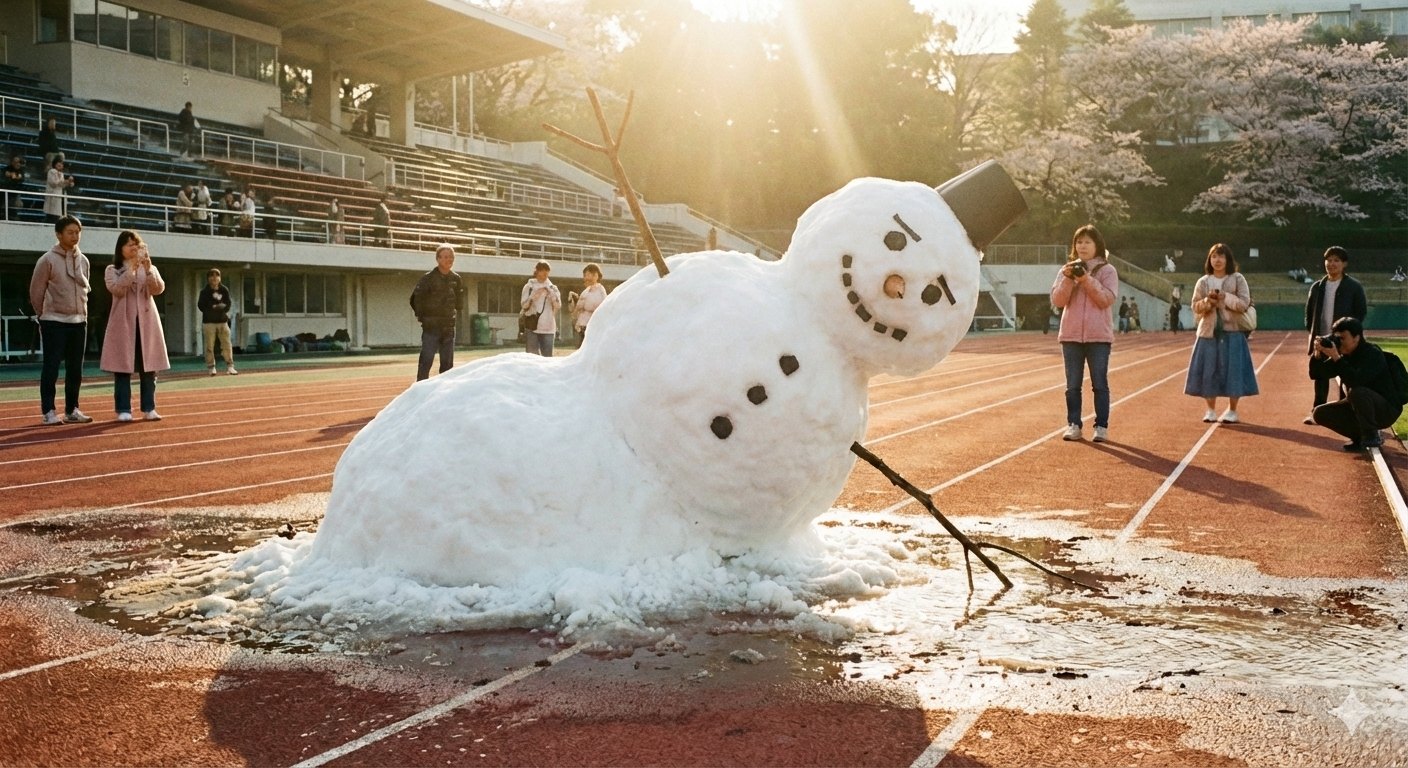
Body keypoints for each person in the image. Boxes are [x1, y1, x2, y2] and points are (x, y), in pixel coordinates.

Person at [1050, 224, 1118, 442]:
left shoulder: (1108, 271)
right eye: (1079, 242)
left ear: (1097, 245)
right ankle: (1074, 424)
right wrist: (1071, 277)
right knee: (1072, 385)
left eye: (1088, 242)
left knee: (1099, 383)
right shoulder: (1066, 270)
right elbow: (1058, 301)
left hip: (1098, 336)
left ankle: (1101, 426)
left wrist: (1086, 279)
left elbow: (1106, 299)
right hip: (1071, 335)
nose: (1083, 246)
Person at [29, 215, 92, 425]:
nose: (75, 236)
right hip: (53, 320)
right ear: (58, 234)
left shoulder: (83, 261)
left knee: (75, 369)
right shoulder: (47, 259)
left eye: (78, 232)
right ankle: (48, 411)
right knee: (52, 367)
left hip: (78, 321)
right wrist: (43, 317)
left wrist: (82, 314)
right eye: (70, 232)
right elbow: (36, 291)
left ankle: (72, 409)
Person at [1184, 244, 1258, 424]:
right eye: (1214, 256)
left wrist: (1225, 297)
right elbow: (1195, 306)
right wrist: (1208, 301)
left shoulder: (1238, 278)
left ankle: (1233, 411)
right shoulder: (1203, 281)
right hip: (1208, 333)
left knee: (1233, 371)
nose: (1217, 260)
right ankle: (1210, 410)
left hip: (1232, 331)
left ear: (1228, 260)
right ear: (1209, 260)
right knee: (1209, 371)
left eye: (1221, 256)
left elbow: (1244, 303)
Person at [101, 231, 170, 421]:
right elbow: (117, 290)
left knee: (149, 367)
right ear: (120, 248)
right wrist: (131, 269)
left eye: (136, 244)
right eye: (129, 244)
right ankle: (123, 409)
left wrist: (148, 270)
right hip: (123, 324)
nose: (133, 247)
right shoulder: (112, 270)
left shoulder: (149, 268)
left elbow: (158, 289)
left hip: (147, 323)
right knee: (123, 367)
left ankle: (149, 408)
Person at [1311, 317, 1404, 451]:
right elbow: (1316, 374)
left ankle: (1371, 434)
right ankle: (1359, 437)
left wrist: (1337, 358)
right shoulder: (1344, 355)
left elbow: (1356, 380)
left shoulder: (1372, 353)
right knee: (1320, 413)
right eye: (1337, 338)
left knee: (1358, 392)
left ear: (1357, 337)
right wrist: (1318, 355)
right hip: (1360, 406)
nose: (1339, 342)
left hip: (1386, 409)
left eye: (1342, 338)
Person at [1303, 246, 1367, 424]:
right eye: (1329, 260)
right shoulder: (1317, 287)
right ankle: (1317, 412)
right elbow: (1309, 314)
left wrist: (1349, 334)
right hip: (1322, 337)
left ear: (1344, 264)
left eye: (1336, 260)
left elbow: (1360, 312)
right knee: (1321, 376)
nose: (1331, 264)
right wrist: (1314, 333)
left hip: (1344, 340)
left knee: (1346, 376)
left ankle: (1347, 412)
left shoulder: (1353, 287)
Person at [410, 245, 465, 381]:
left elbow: (459, 302)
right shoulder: (428, 278)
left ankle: (444, 392)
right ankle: (420, 388)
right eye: (445, 257)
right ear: (438, 259)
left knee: (447, 365)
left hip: (449, 327)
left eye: (451, 257)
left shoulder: (456, 279)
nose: (449, 260)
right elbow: (415, 299)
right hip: (431, 327)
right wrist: (423, 318)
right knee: (426, 360)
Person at [198, 268, 237, 376]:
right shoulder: (204, 292)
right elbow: (201, 306)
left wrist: (223, 308)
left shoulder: (224, 290)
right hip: (209, 322)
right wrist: (212, 307)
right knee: (209, 346)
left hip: (222, 321)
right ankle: (211, 367)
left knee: (226, 344)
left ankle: (230, 366)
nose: (214, 278)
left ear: (220, 278)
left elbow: (228, 303)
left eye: (216, 275)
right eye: (211, 276)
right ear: (208, 278)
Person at [521, 261, 561, 357]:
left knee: (547, 357)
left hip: (548, 327)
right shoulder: (529, 286)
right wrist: (534, 296)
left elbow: (558, 306)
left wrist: (551, 295)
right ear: (537, 271)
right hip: (532, 326)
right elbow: (524, 305)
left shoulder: (553, 287)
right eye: (542, 270)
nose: (545, 273)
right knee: (531, 357)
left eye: (547, 271)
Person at [570, 263, 607, 343]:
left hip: (594, 325)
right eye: (585, 275)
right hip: (582, 325)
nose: (586, 278)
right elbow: (576, 309)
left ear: (596, 275)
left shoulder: (600, 290)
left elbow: (603, 306)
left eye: (588, 275)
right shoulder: (585, 291)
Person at [44, 156, 74, 222]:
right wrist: (65, 181)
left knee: (58, 217)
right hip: (52, 196)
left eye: (61, 163)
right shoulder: (51, 171)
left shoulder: (61, 174)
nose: (60, 164)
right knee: (51, 216)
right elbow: (54, 183)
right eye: (58, 163)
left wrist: (68, 183)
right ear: (55, 164)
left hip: (59, 197)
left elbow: (61, 185)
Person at [3, 154, 26, 220]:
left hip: (16, 192)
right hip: (6, 191)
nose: (17, 164)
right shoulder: (7, 169)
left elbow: (21, 179)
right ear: (12, 162)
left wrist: (16, 177)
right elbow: (4, 177)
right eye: (15, 162)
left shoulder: (21, 170)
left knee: (16, 205)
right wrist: (10, 175)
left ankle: (14, 216)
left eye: (18, 162)